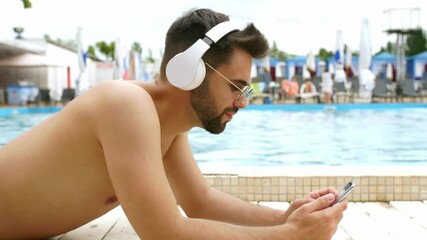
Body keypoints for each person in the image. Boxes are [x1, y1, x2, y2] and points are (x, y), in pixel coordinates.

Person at [0, 8, 347, 240]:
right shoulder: (125, 105)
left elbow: (200, 201)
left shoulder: (163, 125)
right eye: (235, 87)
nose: (242, 103)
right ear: (189, 70)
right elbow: (165, 232)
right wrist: (288, 236)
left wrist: (286, 217)